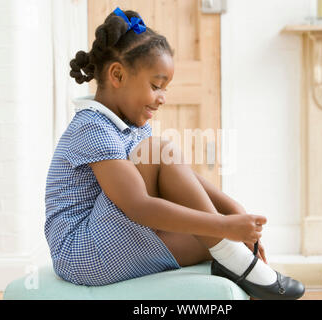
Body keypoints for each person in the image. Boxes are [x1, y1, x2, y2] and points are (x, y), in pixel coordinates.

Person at [44, 7, 304, 300]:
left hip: (114, 241)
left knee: (223, 243)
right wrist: (222, 225)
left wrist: (232, 209)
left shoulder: (131, 124)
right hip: (83, 250)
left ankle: (242, 267)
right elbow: (138, 205)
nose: (162, 98)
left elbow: (177, 175)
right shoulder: (91, 126)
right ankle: (242, 265)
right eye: (156, 86)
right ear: (117, 75)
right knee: (160, 153)